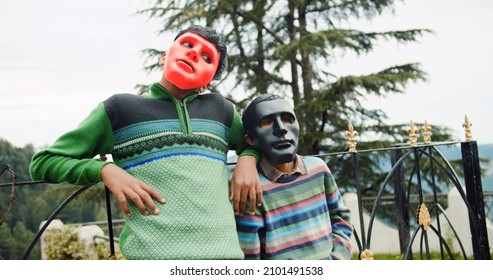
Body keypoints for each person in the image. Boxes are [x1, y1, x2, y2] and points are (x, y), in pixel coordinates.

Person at [29, 25, 261, 260]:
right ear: (164, 57)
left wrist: (248, 158)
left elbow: (253, 143)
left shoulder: (222, 111)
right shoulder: (119, 110)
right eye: (188, 45)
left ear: (207, 82)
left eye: (206, 57)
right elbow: (44, 162)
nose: (193, 54)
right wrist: (104, 169)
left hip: (225, 260)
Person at [235, 93, 353, 260]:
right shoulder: (252, 188)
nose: (281, 128)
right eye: (267, 122)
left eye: (287, 119)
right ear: (250, 138)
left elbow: (340, 217)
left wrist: (338, 258)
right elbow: (250, 257)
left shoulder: (318, 169)